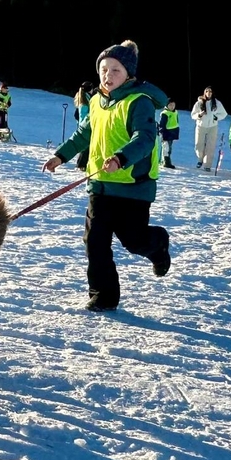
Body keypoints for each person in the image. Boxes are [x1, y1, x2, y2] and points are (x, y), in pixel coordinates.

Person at [43, 40, 170, 312]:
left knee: (134, 241)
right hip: (100, 186)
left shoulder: (140, 102)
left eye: (115, 70)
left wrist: (122, 158)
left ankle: (157, 244)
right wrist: (60, 156)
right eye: (104, 69)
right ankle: (103, 295)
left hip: (133, 188)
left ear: (129, 75)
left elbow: (145, 138)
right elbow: (84, 134)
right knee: (95, 242)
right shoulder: (97, 102)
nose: (107, 76)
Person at [191, 86, 226, 171]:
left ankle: (207, 165)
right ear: (205, 92)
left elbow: (224, 114)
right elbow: (193, 115)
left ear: (212, 93)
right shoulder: (199, 103)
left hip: (212, 126)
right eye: (207, 91)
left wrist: (216, 117)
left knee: (210, 146)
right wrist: (199, 115)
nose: (209, 93)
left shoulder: (217, 103)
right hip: (201, 125)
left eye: (210, 91)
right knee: (199, 144)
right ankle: (200, 159)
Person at [73, 81, 95, 169]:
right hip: (85, 125)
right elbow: (83, 115)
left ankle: (84, 163)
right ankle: (81, 164)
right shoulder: (85, 100)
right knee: (86, 144)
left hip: (85, 125)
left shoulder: (85, 97)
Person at [158, 97, 179, 169]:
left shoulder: (175, 112)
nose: (172, 106)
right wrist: (162, 134)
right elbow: (162, 125)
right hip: (166, 133)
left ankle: (165, 160)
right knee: (166, 148)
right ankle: (166, 162)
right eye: (170, 105)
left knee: (169, 148)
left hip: (172, 133)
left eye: (173, 105)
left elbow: (176, 122)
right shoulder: (165, 113)